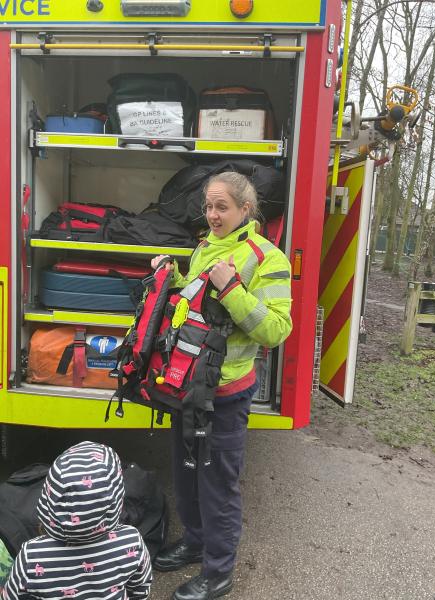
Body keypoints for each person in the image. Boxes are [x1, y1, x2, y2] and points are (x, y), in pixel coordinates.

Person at [151, 172, 292, 600]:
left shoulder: (268, 258)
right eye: (209, 206)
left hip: (225, 395)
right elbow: (196, 306)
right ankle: (196, 543)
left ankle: (218, 573)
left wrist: (231, 287)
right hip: (188, 387)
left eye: (222, 207)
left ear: (245, 209)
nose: (212, 215)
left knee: (217, 486)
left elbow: (275, 329)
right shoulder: (205, 247)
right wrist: (172, 278)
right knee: (186, 474)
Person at [2, 441, 152, 600]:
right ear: (117, 498)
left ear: (48, 497)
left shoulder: (31, 556)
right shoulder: (131, 541)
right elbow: (140, 589)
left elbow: (11, 596)